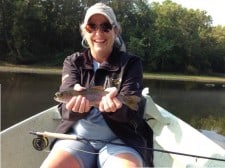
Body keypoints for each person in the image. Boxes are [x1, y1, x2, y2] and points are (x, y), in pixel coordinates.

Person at [41, 2, 154, 168]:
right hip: (76, 138)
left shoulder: (131, 63)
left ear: (115, 31)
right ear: (85, 32)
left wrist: (116, 109)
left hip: (120, 140)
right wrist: (73, 106)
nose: (98, 33)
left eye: (106, 26)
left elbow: (132, 113)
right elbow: (64, 107)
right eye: (91, 27)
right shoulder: (73, 62)